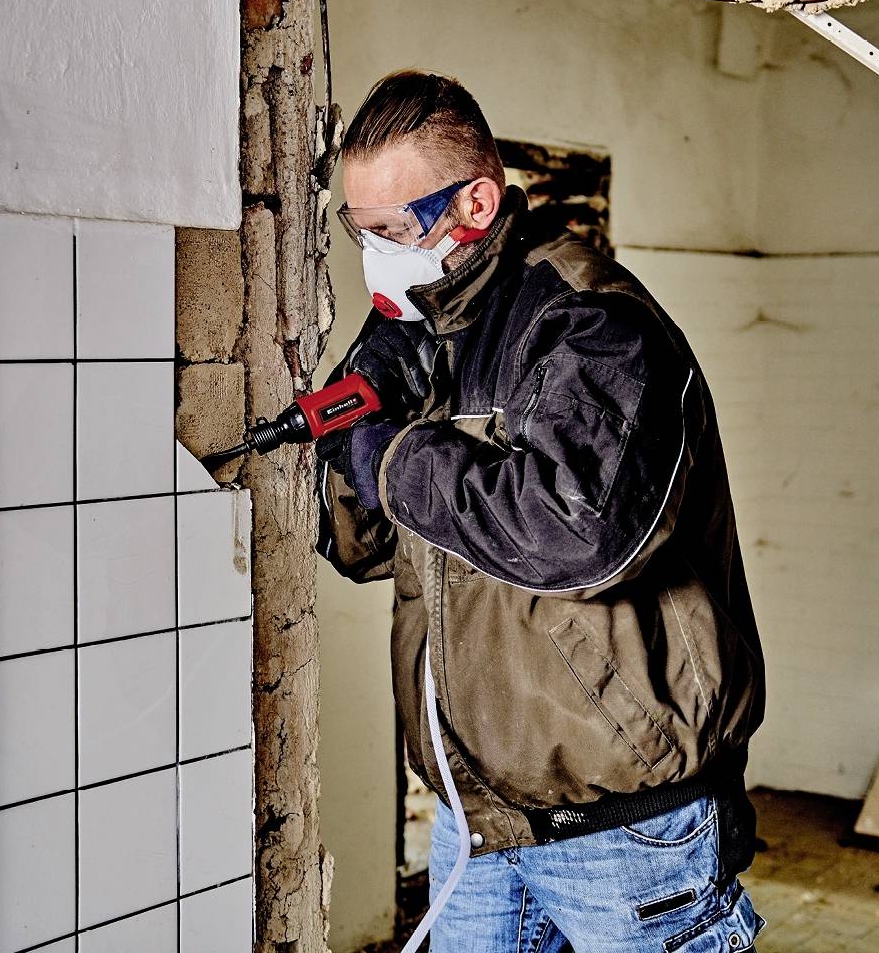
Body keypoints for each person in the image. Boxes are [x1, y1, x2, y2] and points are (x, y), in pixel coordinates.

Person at [317, 70, 768, 952]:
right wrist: (364, 397)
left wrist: (400, 452)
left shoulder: (595, 327)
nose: (374, 254)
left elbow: (572, 533)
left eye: (391, 231)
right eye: (357, 230)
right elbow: (362, 545)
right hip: (475, 825)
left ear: (476, 202)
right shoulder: (427, 333)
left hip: (622, 835)